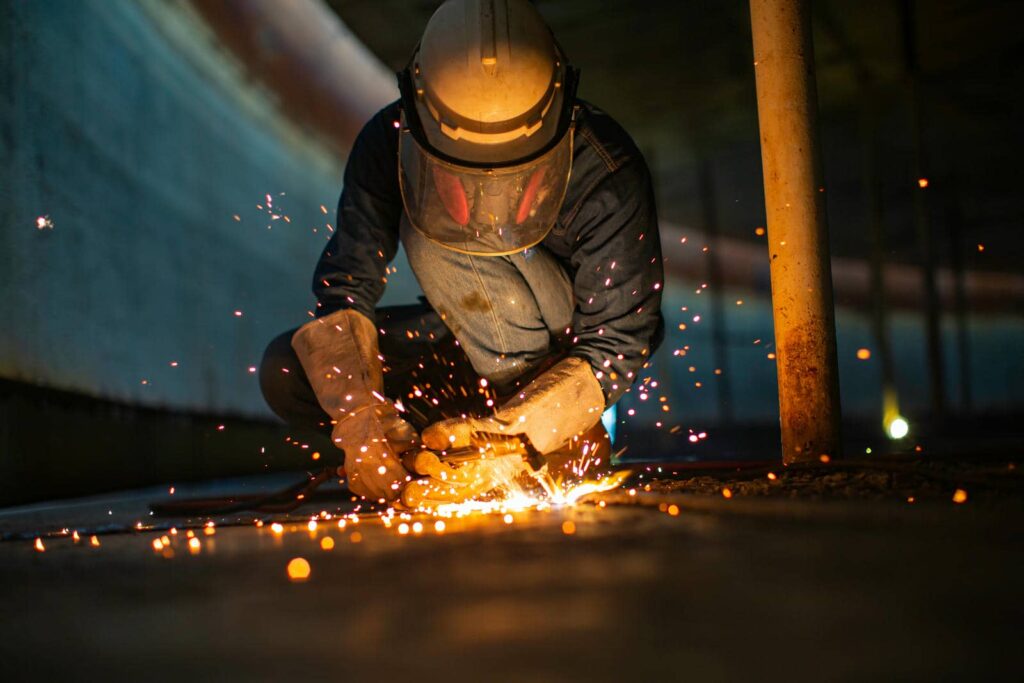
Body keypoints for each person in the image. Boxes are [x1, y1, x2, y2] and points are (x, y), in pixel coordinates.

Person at [260, 0, 663, 508]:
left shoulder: (605, 170)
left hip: (553, 363)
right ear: (418, 109)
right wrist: (363, 422)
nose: (488, 193)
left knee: (437, 235)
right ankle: (437, 452)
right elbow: (345, 290)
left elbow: (620, 340)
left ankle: (546, 439)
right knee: (288, 371)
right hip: (461, 342)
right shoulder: (388, 143)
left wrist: (518, 436)